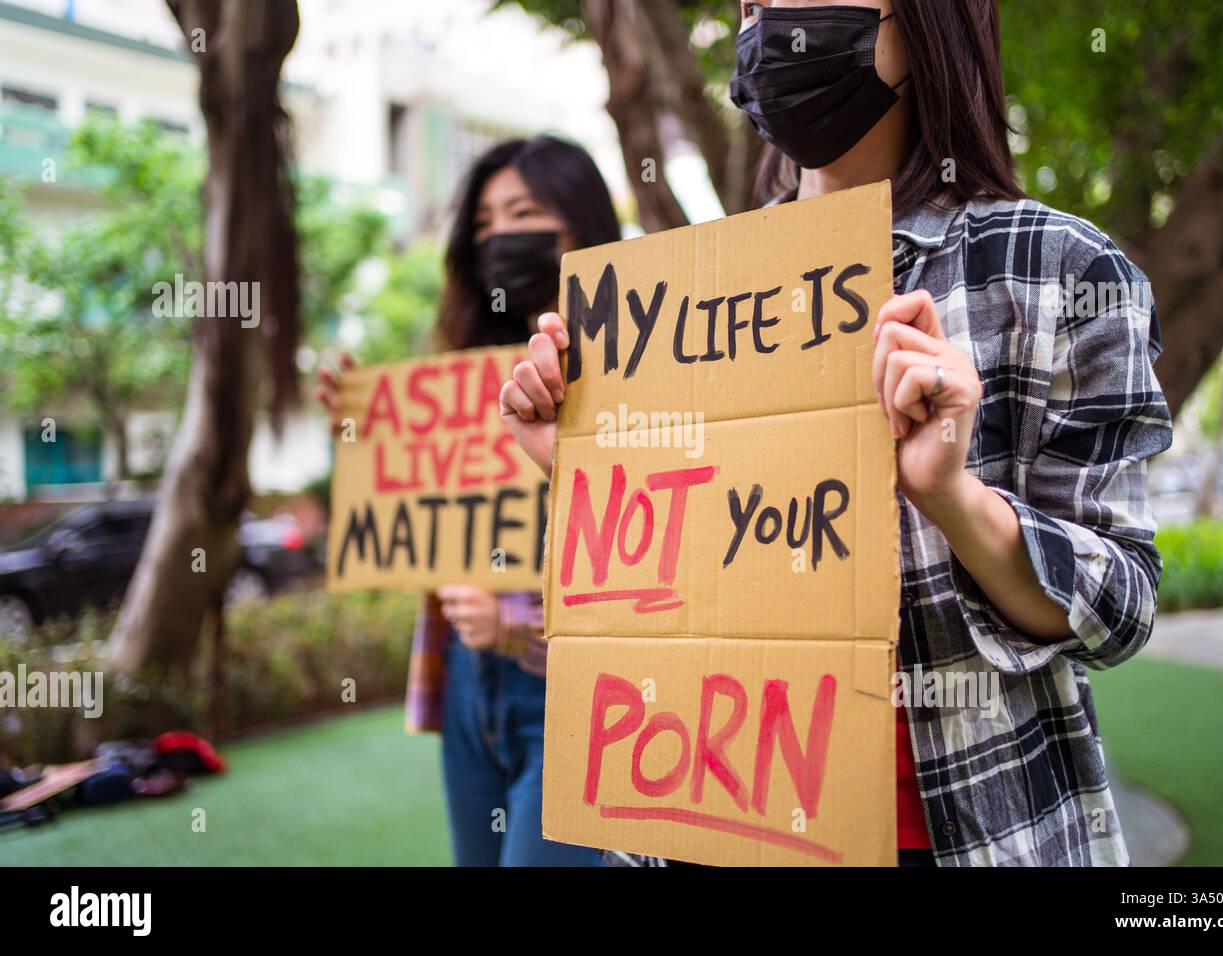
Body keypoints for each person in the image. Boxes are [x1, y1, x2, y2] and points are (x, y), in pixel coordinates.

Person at [499, 0, 1172, 867]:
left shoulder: (1060, 272)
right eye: (754, 3)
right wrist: (589, 465)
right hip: (710, 829)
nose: (771, 17)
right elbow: (677, 586)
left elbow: (1121, 605)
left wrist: (953, 497)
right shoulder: (679, 298)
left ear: (925, 22)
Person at [318, 135, 620, 866]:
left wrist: (516, 622)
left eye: (521, 212)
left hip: (573, 699)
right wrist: (368, 432)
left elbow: (660, 568)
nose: (496, 237)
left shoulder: (635, 375)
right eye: (482, 223)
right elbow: (434, 530)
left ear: (581, 226)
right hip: (465, 688)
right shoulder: (462, 379)